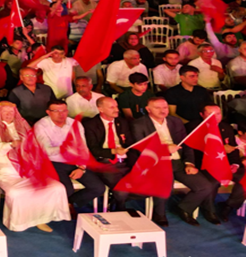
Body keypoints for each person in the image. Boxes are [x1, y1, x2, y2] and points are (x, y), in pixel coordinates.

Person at [0, 102, 70, 232]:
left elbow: (35, 144)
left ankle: (40, 218)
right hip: (5, 168)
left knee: (56, 187)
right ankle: (19, 223)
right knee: (16, 192)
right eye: (4, 111)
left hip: (28, 167)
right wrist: (11, 145)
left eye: (11, 112)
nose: (8, 114)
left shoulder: (21, 124)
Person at [131, 97, 220, 226]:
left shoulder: (175, 121)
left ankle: (183, 208)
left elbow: (186, 144)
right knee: (165, 185)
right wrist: (165, 149)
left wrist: (189, 163)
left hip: (178, 162)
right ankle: (159, 213)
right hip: (156, 163)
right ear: (148, 109)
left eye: (165, 107)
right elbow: (141, 148)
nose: (163, 111)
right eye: (158, 108)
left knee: (205, 186)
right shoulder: (138, 124)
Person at [34, 99, 106, 214]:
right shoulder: (41, 126)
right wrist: (64, 149)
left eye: (64, 110)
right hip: (52, 162)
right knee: (66, 189)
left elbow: (83, 148)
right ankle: (61, 208)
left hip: (74, 161)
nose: (61, 114)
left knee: (98, 188)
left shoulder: (75, 124)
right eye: (56, 111)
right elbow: (44, 151)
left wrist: (82, 168)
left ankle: (69, 204)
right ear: (48, 112)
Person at [83, 97, 134, 211]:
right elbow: (93, 150)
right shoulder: (90, 125)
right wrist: (113, 151)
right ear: (100, 108)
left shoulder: (122, 122)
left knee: (144, 186)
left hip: (124, 162)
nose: (116, 109)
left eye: (116, 106)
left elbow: (130, 142)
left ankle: (115, 200)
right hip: (104, 163)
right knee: (122, 190)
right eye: (112, 107)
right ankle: (120, 209)